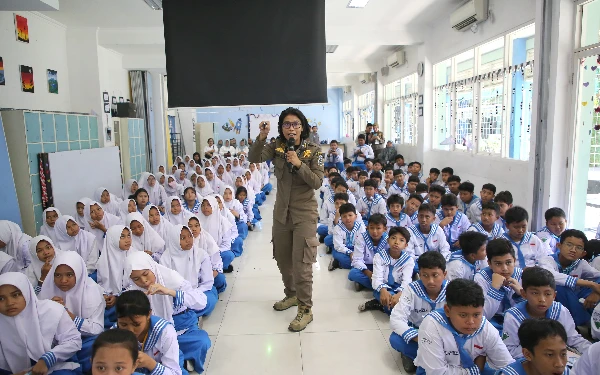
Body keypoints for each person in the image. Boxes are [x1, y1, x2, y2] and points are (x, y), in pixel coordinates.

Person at [248, 107, 324, 332]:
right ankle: (291, 295)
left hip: (304, 214)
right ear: (281, 128)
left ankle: (305, 308)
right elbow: (254, 158)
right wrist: (261, 138)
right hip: (282, 213)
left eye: (295, 124)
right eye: (287, 124)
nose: (291, 128)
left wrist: (299, 164)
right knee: (283, 260)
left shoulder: (314, 151)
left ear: (302, 127)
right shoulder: (276, 146)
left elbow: (317, 182)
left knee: (302, 264)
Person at [413, 278, 514, 374]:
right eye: (463, 315)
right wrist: (475, 369)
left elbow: (507, 365)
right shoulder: (432, 325)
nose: (470, 322)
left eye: (476, 315)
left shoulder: (485, 328)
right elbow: (437, 373)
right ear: (447, 311)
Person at [0, 272, 82, 375]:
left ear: (27, 292)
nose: (9, 303)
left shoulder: (52, 310)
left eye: (16, 295)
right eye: (1, 298)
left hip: (57, 367)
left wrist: (47, 359)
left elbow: (73, 341)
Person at [38, 251, 105, 373]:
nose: (63, 280)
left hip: (85, 341)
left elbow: (97, 328)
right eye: (58, 275)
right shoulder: (48, 291)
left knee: (98, 344)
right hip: (55, 344)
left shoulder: (92, 292)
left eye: (69, 275)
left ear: (78, 274)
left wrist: (71, 317)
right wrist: (49, 309)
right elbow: (36, 327)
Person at [503, 267, 591, 360]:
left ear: (554, 295)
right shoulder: (513, 316)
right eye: (535, 293)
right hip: (529, 360)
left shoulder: (560, 310)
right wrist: (542, 348)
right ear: (524, 294)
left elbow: (573, 339)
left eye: (547, 294)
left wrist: (593, 350)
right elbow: (509, 350)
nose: (542, 299)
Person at [389, 251, 448, 373]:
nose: (430, 281)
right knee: (395, 339)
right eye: (425, 275)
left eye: (435, 275)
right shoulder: (411, 290)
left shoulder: (453, 290)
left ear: (444, 274)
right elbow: (396, 319)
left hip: (445, 336)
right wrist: (420, 338)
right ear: (419, 275)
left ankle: (419, 359)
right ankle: (435, 361)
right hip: (418, 334)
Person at [539, 229, 600, 326]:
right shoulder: (547, 260)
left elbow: (598, 275)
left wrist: (596, 293)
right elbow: (551, 276)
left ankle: (593, 324)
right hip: (553, 299)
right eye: (569, 245)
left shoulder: (581, 264)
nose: (573, 250)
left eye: (579, 247)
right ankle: (580, 323)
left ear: (583, 253)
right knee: (560, 287)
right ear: (559, 246)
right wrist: (591, 284)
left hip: (575, 298)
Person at [115, 290, 184, 375]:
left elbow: (175, 373)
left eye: (136, 324)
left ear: (149, 315)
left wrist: (150, 363)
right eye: (123, 324)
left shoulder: (165, 332)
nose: (130, 330)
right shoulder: (114, 332)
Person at [360, 226, 414, 314]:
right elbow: (377, 278)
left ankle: (380, 304)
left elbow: (407, 281)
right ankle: (384, 304)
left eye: (401, 240)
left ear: (406, 245)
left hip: (398, 288)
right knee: (396, 307)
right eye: (393, 238)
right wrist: (383, 291)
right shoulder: (379, 256)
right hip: (383, 288)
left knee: (401, 306)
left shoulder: (408, 260)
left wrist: (400, 294)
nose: (396, 242)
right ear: (388, 240)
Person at [474, 238, 524, 330]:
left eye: (508, 262)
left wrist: (521, 294)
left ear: (514, 260)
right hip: (491, 324)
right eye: (498, 264)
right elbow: (483, 315)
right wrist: (494, 289)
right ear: (489, 263)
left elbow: (530, 314)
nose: (504, 268)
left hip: (517, 323)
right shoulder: (481, 278)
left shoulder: (521, 275)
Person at [497, 319, 571, 375]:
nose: (559, 364)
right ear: (528, 354)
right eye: (550, 355)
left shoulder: (564, 372)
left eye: (563, 354)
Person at [349, 214, 388, 292]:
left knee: (391, 275)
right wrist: (368, 273)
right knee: (353, 273)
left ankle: (365, 285)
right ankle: (383, 288)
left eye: (378, 228)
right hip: (366, 267)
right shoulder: (361, 238)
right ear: (367, 227)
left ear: (384, 229)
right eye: (371, 228)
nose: (374, 231)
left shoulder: (388, 239)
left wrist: (379, 273)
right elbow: (357, 260)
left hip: (381, 267)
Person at [406, 204, 451, 270]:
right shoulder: (410, 231)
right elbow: (409, 253)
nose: (423, 220)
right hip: (417, 265)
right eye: (421, 216)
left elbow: (445, 249)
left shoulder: (438, 230)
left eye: (427, 217)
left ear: (433, 219)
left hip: (436, 264)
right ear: (417, 217)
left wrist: (438, 262)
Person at [198, 196, 237, 273]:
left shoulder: (223, 222)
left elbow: (226, 244)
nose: (205, 208)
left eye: (208, 205)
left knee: (229, 255)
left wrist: (214, 251)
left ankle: (217, 268)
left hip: (218, 252)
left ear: (214, 206)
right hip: (201, 253)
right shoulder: (196, 221)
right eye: (203, 205)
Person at [329, 203, 365, 271]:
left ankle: (341, 263)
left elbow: (363, 244)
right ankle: (339, 262)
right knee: (345, 259)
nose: (347, 218)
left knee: (364, 259)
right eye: (344, 216)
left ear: (356, 216)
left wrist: (356, 253)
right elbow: (338, 246)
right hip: (342, 251)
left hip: (357, 249)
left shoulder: (361, 227)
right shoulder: (338, 228)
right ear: (341, 218)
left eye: (350, 215)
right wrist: (349, 252)